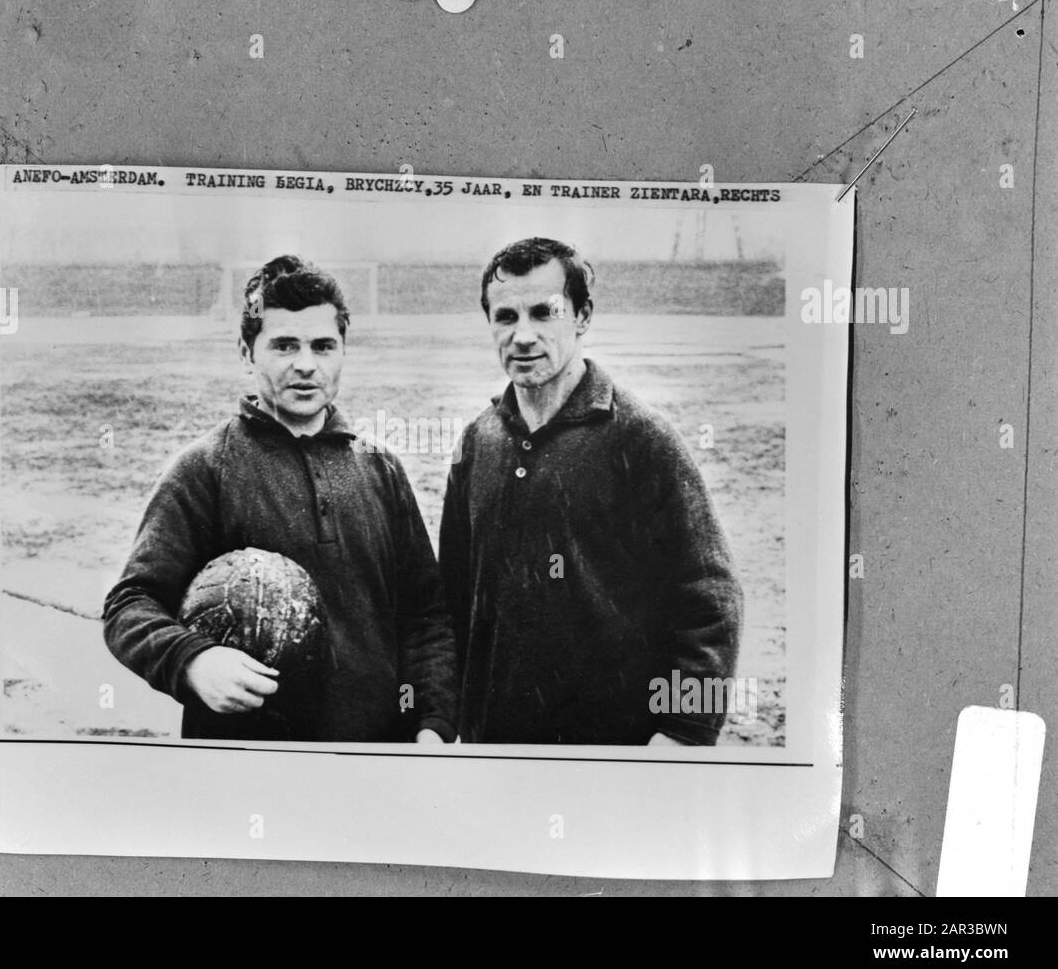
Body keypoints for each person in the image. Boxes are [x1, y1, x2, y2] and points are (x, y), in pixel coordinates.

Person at [103, 256, 458, 743]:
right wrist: (193, 661)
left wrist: (431, 723)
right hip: (247, 763)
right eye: (284, 345)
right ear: (247, 354)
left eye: (323, 345)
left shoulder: (381, 467)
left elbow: (424, 616)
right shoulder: (205, 468)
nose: (306, 364)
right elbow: (130, 604)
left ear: (342, 352)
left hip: (379, 762)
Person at [438, 237, 742, 746]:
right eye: (506, 316)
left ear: (582, 317)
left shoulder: (643, 439)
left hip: (615, 756)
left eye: (544, 313)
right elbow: (450, 598)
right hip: (496, 753)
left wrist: (684, 734)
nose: (523, 335)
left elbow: (710, 598)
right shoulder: (478, 442)